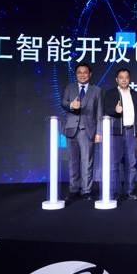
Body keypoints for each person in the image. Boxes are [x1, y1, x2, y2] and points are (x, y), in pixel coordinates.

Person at [60, 62, 102, 200]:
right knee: (73, 162)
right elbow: (63, 103)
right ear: (76, 74)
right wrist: (71, 105)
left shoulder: (96, 90)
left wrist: (99, 132)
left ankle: (86, 190)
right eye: (79, 72)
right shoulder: (69, 87)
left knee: (87, 162)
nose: (82, 75)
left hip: (88, 130)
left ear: (90, 74)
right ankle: (74, 189)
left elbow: (99, 112)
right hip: (71, 129)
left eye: (85, 72)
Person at [103, 68, 137, 200]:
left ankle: (129, 190)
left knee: (131, 163)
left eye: (126, 77)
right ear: (117, 79)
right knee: (114, 164)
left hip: (132, 132)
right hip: (116, 132)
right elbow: (105, 109)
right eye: (121, 77)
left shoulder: (135, 94)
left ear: (129, 79)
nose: (124, 79)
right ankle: (116, 191)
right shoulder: (110, 93)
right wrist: (115, 110)